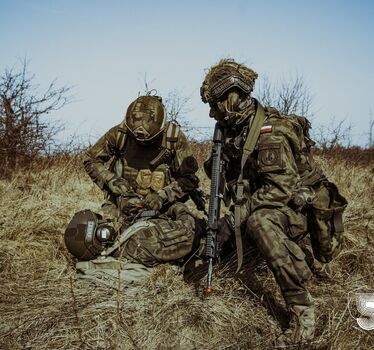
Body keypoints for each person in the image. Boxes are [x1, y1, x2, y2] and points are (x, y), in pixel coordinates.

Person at [200, 59, 347, 345]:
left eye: (215, 104)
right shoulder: (237, 130)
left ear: (231, 99)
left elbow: (279, 190)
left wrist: (232, 220)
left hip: (298, 209)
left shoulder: (270, 133)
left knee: (259, 221)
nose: (211, 113)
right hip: (276, 203)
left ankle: (302, 311)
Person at [64, 94, 203, 280]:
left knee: (184, 233)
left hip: (164, 205)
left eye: (150, 140)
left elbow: (189, 179)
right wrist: (111, 180)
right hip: (121, 203)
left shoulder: (173, 138)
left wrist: (162, 196)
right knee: (97, 241)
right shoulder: (119, 134)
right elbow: (91, 160)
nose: (143, 143)